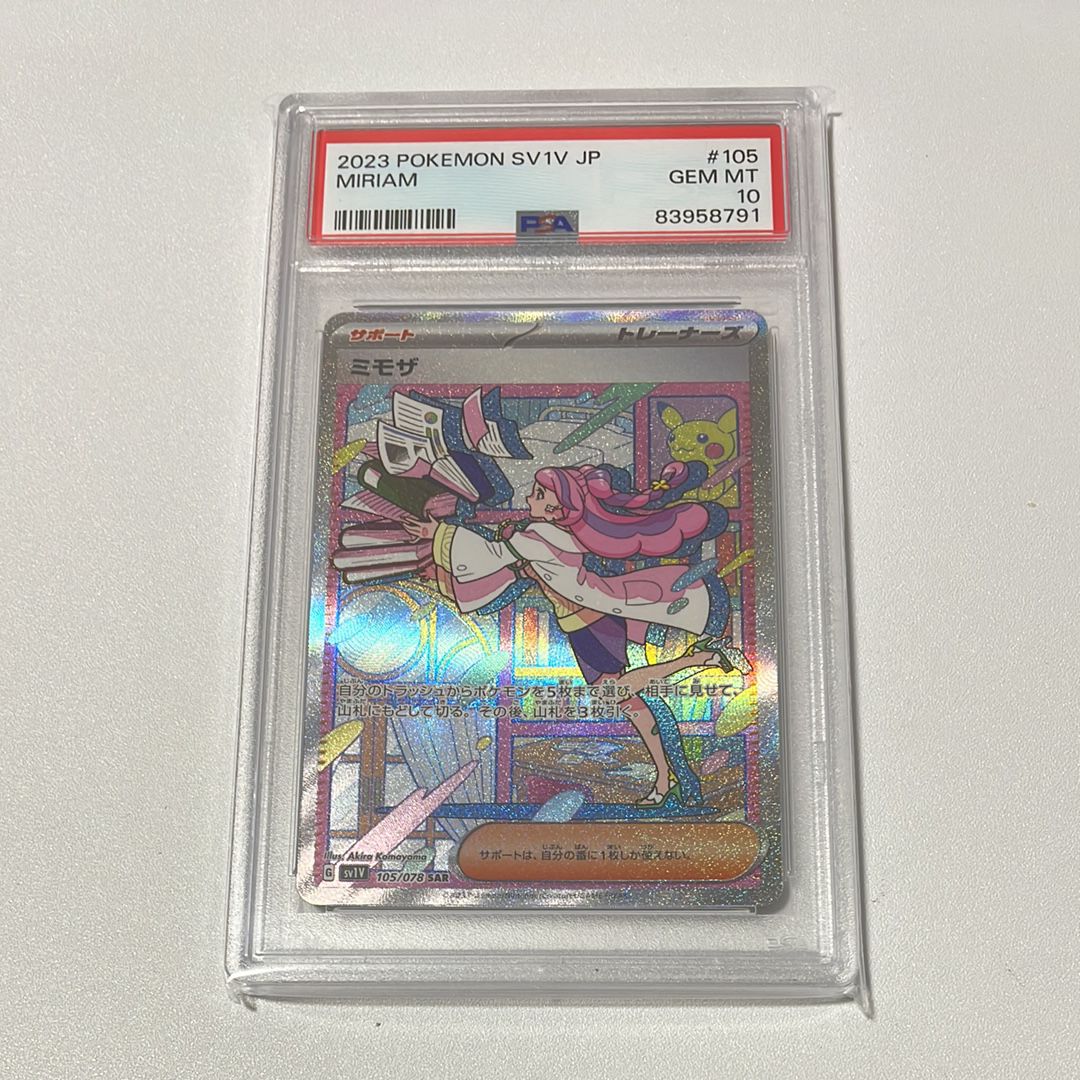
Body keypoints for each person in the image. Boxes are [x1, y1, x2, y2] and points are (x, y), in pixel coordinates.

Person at [403, 464, 733, 809]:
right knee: (630, 703)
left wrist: (438, 533)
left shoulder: (540, 537)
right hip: (581, 624)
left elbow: (490, 556)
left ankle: (701, 661)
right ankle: (669, 779)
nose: (529, 497)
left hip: (592, 623)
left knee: (618, 693)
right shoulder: (549, 535)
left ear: (557, 509)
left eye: (539, 494)